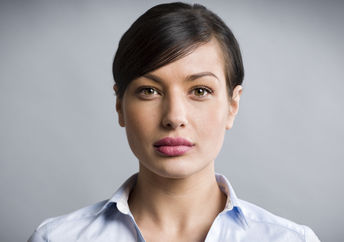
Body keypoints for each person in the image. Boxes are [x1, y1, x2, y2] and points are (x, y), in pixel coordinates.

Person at [28, 2, 321, 242]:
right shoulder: (57, 238)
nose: (174, 118)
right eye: (149, 91)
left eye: (200, 91)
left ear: (233, 105)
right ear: (120, 105)